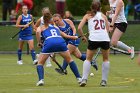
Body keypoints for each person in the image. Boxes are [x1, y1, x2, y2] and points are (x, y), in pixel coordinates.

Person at [35, 13, 82, 86]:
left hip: (49, 42)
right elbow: (64, 35)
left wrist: (39, 42)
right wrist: (73, 37)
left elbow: (37, 32)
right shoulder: (55, 27)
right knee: (70, 60)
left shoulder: (41, 27)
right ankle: (79, 78)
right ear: (51, 20)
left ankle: (41, 80)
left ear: (43, 20)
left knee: (40, 63)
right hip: (60, 42)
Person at [78, 1, 110, 87]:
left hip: (93, 39)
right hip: (104, 38)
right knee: (106, 59)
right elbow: (107, 29)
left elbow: (79, 28)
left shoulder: (88, 16)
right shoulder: (103, 16)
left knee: (88, 59)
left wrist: (83, 37)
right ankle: (104, 81)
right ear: (100, 8)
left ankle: (84, 79)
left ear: (91, 7)